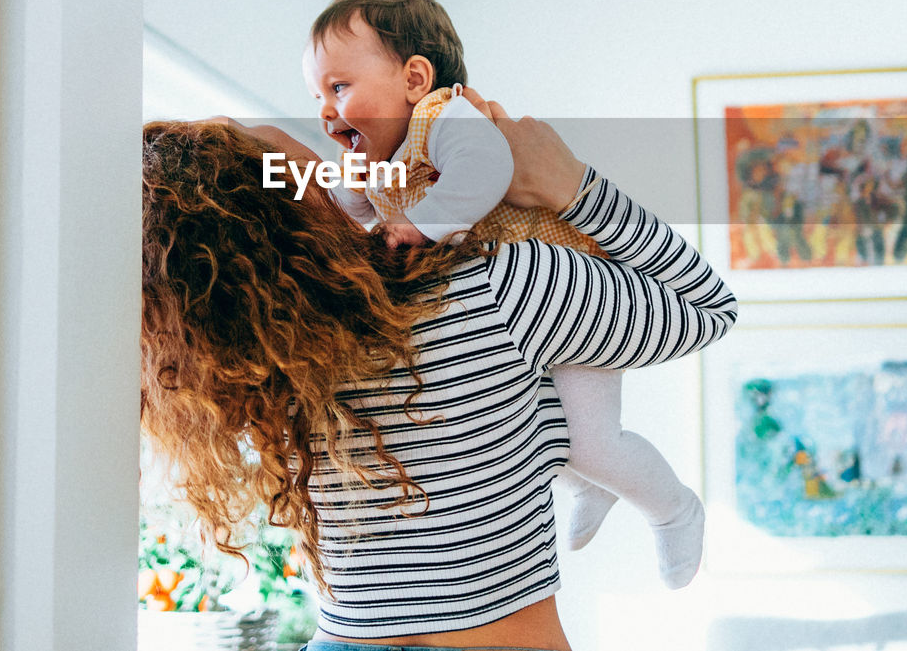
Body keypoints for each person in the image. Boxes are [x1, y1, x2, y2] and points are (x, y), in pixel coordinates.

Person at [140, 102, 737, 650]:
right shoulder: (493, 287)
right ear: (285, 202)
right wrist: (574, 186)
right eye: (244, 134)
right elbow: (709, 309)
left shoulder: (261, 376)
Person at [300, 0, 707, 586]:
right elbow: (365, 226)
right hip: (514, 309)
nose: (326, 111)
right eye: (316, 96)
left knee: (593, 441)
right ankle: (593, 490)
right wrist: (354, 190)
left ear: (415, 79)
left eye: (339, 87)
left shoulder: (446, 115)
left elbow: (484, 170)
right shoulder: (386, 159)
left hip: (569, 284)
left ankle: (673, 509)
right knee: (544, 428)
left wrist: (420, 223)